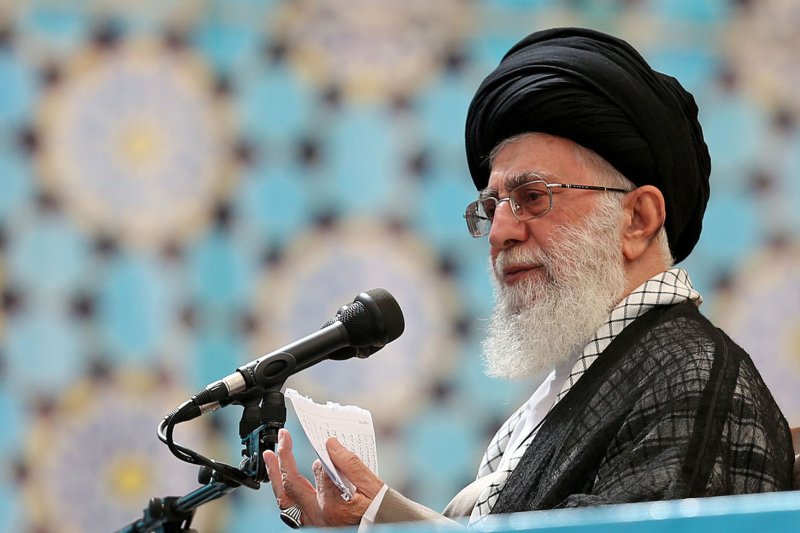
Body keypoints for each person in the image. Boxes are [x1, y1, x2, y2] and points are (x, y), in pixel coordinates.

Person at [263, 27, 795, 528]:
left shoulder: (690, 375)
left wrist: (383, 520)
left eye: (533, 197)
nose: (499, 232)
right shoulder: (567, 395)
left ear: (638, 220)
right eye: (491, 206)